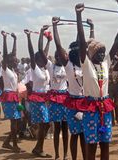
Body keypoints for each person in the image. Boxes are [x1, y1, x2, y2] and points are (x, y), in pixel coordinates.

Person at [75, 3, 118, 160]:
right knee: (91, 144)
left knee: (105, 144)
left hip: (105, 107)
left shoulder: (105, 63)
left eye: (104, 52)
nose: (103, 54)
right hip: (91, 108)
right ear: (91, 54)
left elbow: (117, 42)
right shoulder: (86, 64)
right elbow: (82, 43)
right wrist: (78, 16)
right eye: (99, 52)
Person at [52, 16, 95, 160]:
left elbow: (88, 43)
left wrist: (91, 27)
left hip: (87, 103)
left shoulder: (87, 64)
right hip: (73, 103)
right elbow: (58, 46)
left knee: (85, 135)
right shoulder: (68, 66)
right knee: (75, 134)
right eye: (80, 52)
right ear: (73, 54)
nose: (83, 53)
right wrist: (55, 26)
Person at [24, 25, 52, 158]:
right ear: (36, 59)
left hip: (45, 99)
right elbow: (32, 51)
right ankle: (38, 148)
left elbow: (43, 51)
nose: (44, 58)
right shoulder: (34, 68)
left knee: (46, 125)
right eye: (41, 57)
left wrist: (48, 41)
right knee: (45, 124)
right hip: (37, 99)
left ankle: (38, 147)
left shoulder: (45, 68)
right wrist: (33, 36)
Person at [47, 22, 69, 160]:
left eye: (64, 55)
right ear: (56, 57)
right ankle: (56, 154)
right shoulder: (51, 67)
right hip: (55, 99)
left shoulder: (67, 66)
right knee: (56, 128)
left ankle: (66, 154)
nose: (62, 57)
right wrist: (54, 28)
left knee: (65, 128)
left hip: (65, 99)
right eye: (59, 55)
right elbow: (57, 44)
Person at [0, 31, 24, 152]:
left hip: (14, 97)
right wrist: (4, 39)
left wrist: (15, 39)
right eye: (14, 61)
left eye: (16, 61)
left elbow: (13, 54)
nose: (16, 62)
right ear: (8, 62)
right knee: (14, 123)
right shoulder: (5, 69)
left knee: (18, 123)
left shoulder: (13, 71)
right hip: (8, 97)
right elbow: (5, 55)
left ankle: (7, 142)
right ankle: (14, 145)